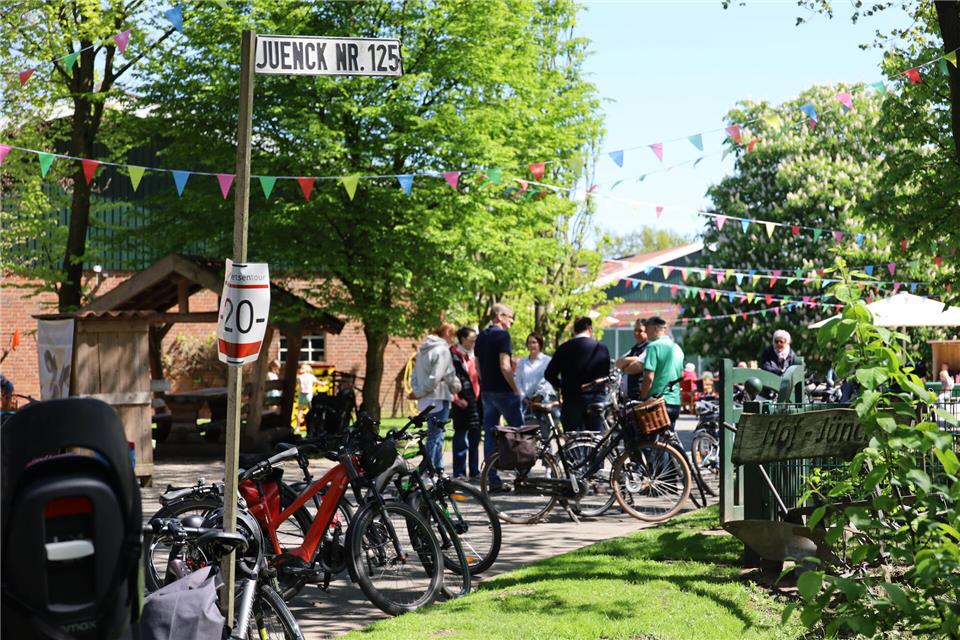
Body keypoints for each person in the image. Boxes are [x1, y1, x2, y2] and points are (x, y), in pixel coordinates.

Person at [474, 303, 524, 488]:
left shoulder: (481, 337)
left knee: (490, 435)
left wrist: (485, 382)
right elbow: (505, 365)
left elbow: (477, 366)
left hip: (487, 391)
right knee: (520, 433)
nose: (511, 321)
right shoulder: (502, 335)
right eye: (510, 317)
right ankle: (522, 475)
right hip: (504, 391)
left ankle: (492, 478)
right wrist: (515, 388)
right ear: (500, 316)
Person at [410, 322, 462, 473]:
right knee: (435, 435)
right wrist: (456, 386)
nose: (453, 339)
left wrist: (418, 391)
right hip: (438, 397)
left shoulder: (422, 350)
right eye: (452, 335)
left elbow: (415, 376)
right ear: (446, 332)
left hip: (425, 399)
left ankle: (437, 469)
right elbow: (436, 377)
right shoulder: (443, 350)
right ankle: (426, 470)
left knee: (435, 435)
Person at [544, 316, 611, 432]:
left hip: (571, 398)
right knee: (596, 438)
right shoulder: (601, 348)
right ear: (590, 329)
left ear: (574, 331)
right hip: (596, 398)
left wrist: (561, 385)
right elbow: (605, 376)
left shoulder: (564, 348)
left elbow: (549, 374)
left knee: (573, 437)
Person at [639, 316, 685, 430]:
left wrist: (643, 397)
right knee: (667, 441)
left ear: (655, 328)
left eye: (647, 329)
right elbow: (680, 375)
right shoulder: (677, 348)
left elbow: (649, 377)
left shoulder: (653, 347)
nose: (645, 332)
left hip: (658, 402)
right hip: (675, 403)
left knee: (647, 442)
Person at [450, 326, 482, 480]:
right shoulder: (453, 355)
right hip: (462, 401)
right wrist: (456, 399)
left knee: (475, 437)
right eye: (472, 340)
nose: (474, 342)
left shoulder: (474, 354)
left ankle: (474, 471)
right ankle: (460, 473)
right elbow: (448, 379)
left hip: (475, 401)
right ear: (463, 339)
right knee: (461, 438)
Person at [515, 333, 556, 418]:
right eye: (529, 343)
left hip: (545, 400)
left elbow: (549, 381)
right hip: (526, 403)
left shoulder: (547, 361)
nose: (531, 345)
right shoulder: (522, 363)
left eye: (534, 342)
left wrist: (540, 395)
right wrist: (524, 398)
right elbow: (518, 382)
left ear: (540, 344)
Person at [615, 318, 648, 401]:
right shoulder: (634, 348)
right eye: (635, 330)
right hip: (626, 398)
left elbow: (637, 367)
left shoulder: (649, 347)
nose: (636, 333)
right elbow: (618, 362)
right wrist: (635, 359)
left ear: (647, 332)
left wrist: (624, 367)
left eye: (640, 331)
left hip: (638, 396)